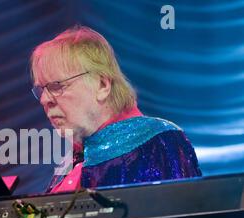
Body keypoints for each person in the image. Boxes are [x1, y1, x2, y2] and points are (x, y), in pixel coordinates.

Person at [30, 26, 202, 193]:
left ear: (102, 85)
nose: (45, 100)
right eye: (41, 90)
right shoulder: (72, 163)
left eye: (56, 86)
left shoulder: (159, 141)